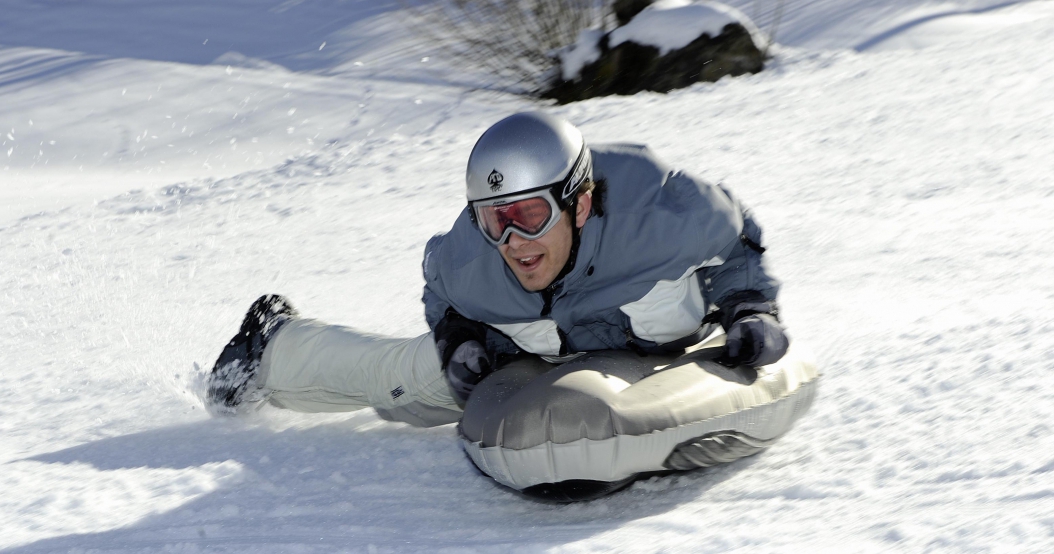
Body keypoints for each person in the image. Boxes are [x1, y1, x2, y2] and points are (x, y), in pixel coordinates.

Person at [203, 112, 797, 499]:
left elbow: (734, 243)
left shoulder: (664, 214)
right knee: (406, 383)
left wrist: (749, 307)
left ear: (579, 204)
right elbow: (444, 297)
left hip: (655, 335)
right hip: (530, 345)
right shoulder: (471, 258)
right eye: (495, 219)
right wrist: (459, 340)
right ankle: (272, 347)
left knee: (669, 313)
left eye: (530, 216)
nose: (513, 242)